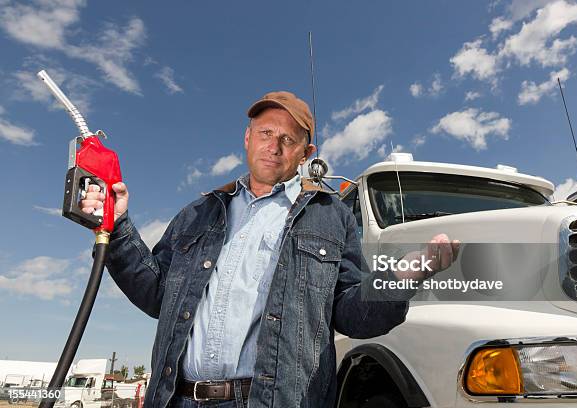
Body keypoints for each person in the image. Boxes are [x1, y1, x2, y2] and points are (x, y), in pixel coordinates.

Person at [82, 91, 459, 408]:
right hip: (177, 399)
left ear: (305, 152)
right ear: (248, 138)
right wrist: (118, 228)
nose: (274, 147)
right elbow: (156, 295)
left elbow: (351, 314)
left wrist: (402, 277)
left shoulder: (330, 217)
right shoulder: (198, 213)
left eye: (288, 139)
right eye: (265, 133)